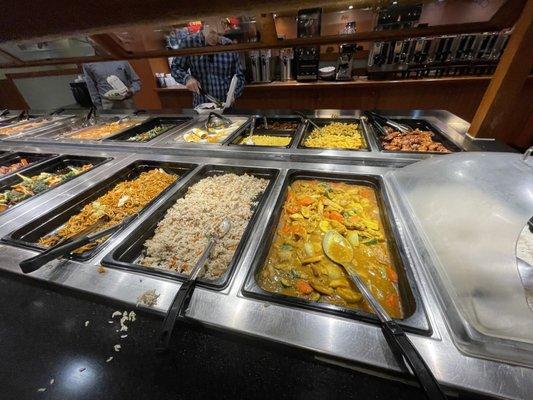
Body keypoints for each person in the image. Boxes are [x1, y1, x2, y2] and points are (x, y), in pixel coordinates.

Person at [170, 25, 245, 108]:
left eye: (219, 34)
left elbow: (239, 76)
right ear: (204, 25)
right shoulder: (189, 43)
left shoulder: (228, 44)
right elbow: (175, 67)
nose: (215, 37)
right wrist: (187, 78)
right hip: (201, 107)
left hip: (225, 107)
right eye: (212, 32)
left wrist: (234, 93)